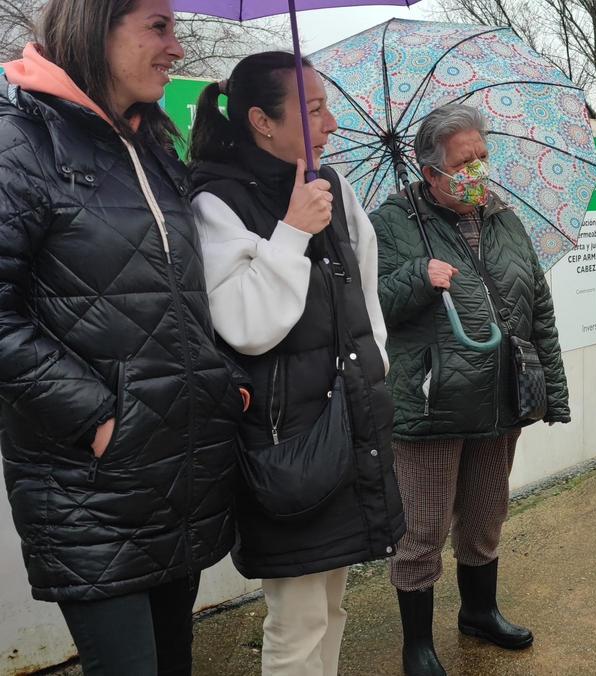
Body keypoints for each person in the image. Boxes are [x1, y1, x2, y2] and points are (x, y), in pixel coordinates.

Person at [0, 1, 248, 673]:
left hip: (179, 471)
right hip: (90, 483)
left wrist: (223, 382)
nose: (177, 48)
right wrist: (99, 418)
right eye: (158, 27)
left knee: (174, 663)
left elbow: (177, 296)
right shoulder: (19, 141)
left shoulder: (153, 143)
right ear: (95, 25)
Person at [188, 52, 405, 676]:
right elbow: (245, 327)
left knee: (332, 606)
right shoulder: (217, 200)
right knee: (297, 618)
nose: (331, 123)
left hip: (349, 421)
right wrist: (290, 231)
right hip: (287, 446)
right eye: (314, 110)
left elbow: (366, 291)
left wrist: (375, 371)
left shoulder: (330, 184)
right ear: (261, 120)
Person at [370, 103, 569, 676]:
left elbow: (539, 308)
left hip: (501, 397)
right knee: (423, 529)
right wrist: (416, 276)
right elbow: (368, 307)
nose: (478, 169)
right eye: (464, 161)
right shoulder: (392, 222)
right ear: (430, 170)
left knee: (486, 515)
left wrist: (551, 391)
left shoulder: (504, 217)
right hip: (432, 402)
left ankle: (479, 612)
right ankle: (418, 644)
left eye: (483, 156)